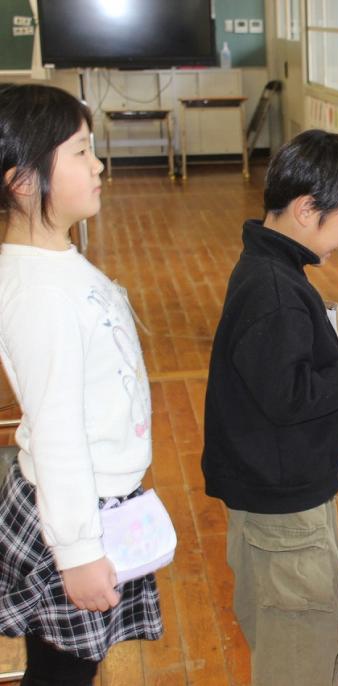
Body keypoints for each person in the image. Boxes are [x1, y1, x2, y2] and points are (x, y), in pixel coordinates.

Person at [201, 129, 338, 686]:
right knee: (300, 640)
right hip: (282, 506)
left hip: (278, 494)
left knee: (297, 629)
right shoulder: (275, 290)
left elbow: (276, 366)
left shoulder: (269, 269)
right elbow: (289, 397)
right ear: (305, 210)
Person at [0, 84, 163, 685]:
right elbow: (58, 430)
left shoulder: (56, 262)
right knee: (63, 677)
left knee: (69, 670)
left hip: (94, 504)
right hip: (72, 516)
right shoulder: (40, 294)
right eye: (79, 152)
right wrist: (78, 552)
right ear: (23, 180)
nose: (97, 165)